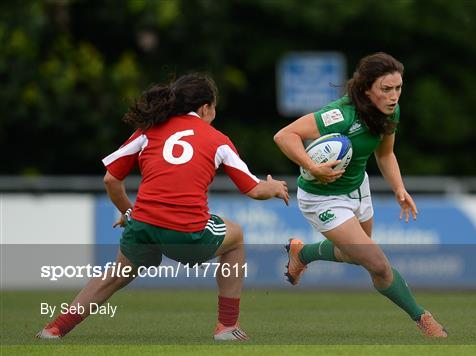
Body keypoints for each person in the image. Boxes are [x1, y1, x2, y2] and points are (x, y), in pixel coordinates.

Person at [36, 73, 289, 341]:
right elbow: (254, 189)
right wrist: (273, 187)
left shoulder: (148, 130)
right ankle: (226, 327)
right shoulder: (217, 139)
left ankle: (54, 329)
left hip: (143, 226)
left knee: (114, 276)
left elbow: (111, 179)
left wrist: (128, 212)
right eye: (214, 107)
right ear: (205, 108)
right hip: (187, 233)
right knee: (236, 236)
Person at [273, 52, 447, 337]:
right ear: (367, 89)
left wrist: (399, 188)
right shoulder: (341, 114)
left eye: (398, 88)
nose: (394, 96)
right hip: (322, 197)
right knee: (377, 263)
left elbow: (385, 153)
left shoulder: (392, 112)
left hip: (358, 189)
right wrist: (312, 167)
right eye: (386, 89)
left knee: (354, 255)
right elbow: (284, 136)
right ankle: (424, 319)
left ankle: (301, 252)